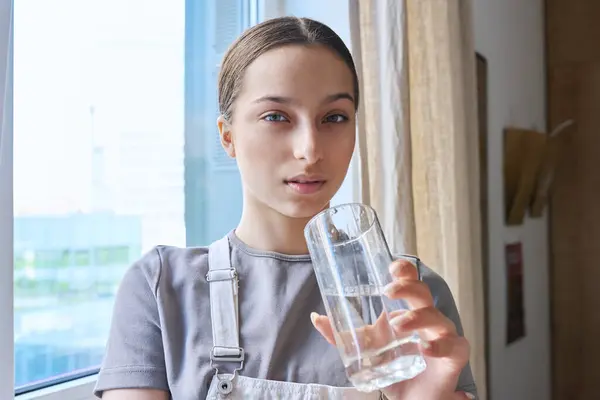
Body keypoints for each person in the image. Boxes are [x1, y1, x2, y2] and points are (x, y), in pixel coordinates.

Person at [94, 16, 478, 400]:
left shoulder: (411, 295)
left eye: (334, 118)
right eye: (276, 116)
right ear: (228, 136)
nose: (309, 150)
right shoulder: (161, 289)